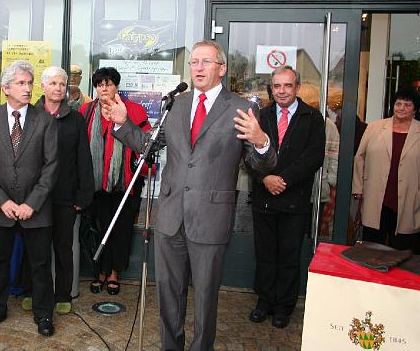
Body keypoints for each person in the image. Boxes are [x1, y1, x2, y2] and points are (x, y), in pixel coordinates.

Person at [103, 40, 276, 350]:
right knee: (168, 294)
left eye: (205, 62)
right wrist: (122, 123)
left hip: (210, 217)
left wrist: (262, 141)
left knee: (206, 297)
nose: (197, 67)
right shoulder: (177, 104)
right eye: (194, 61)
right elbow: (150, 144)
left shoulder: (241, 107)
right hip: (170, 215)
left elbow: (258, 163)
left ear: (221, 69)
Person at [0, 61, 58, 336]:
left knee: (40, 264)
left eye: (30, 83)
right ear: (6, 88)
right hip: (1, 209)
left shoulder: (45, 120)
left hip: (37, 209)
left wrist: (31, 204)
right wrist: (3, 201)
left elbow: (51, 167)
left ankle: (44, 314)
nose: (28, 88)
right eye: (21, 83)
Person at [247, 66, 325, 329]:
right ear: (272, 88)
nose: (281, 91)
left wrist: (284, 179)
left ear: (297, 87)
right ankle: (264, 302)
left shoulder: (312, 117)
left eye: (287, 86)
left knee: (290, 256)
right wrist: (264, 178)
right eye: (277, 86)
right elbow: (248, 153)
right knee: (265, 254)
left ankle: (284, 307)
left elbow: (313, 157)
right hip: (264, 197)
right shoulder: (261, 115)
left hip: (295, 199)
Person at [79, 67, 150, 296]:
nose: (104, 88)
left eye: (108, 84)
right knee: (98, 228)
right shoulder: (86, 111)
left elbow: (147, 144)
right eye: (100, 84)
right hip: (95, 184)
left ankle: (113, 274)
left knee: (120, 230)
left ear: (116, 86)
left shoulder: (134, 110)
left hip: (125, 183)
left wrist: (143, 168)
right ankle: (100, 271)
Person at [33, 66, 93, 313]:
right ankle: (34, 292)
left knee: (63, 247)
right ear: (43, 86)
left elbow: (84, 159)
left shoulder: (75, 118)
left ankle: (63, 295)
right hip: (35, 197)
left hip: (65, 196)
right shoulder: (31, 115)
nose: (58, 88)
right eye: (53, 83)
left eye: (62, 84)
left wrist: (83, 195)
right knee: (35, 249)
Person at [352, 88, 420, 254]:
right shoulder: (374, 127)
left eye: (407, 104)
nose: (401, 108)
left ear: (415, 109)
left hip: (409, 199)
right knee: (371, 248)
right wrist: (358, 187)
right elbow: (359, 157)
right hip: (375, 197)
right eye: (398, 103)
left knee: (403, 249)